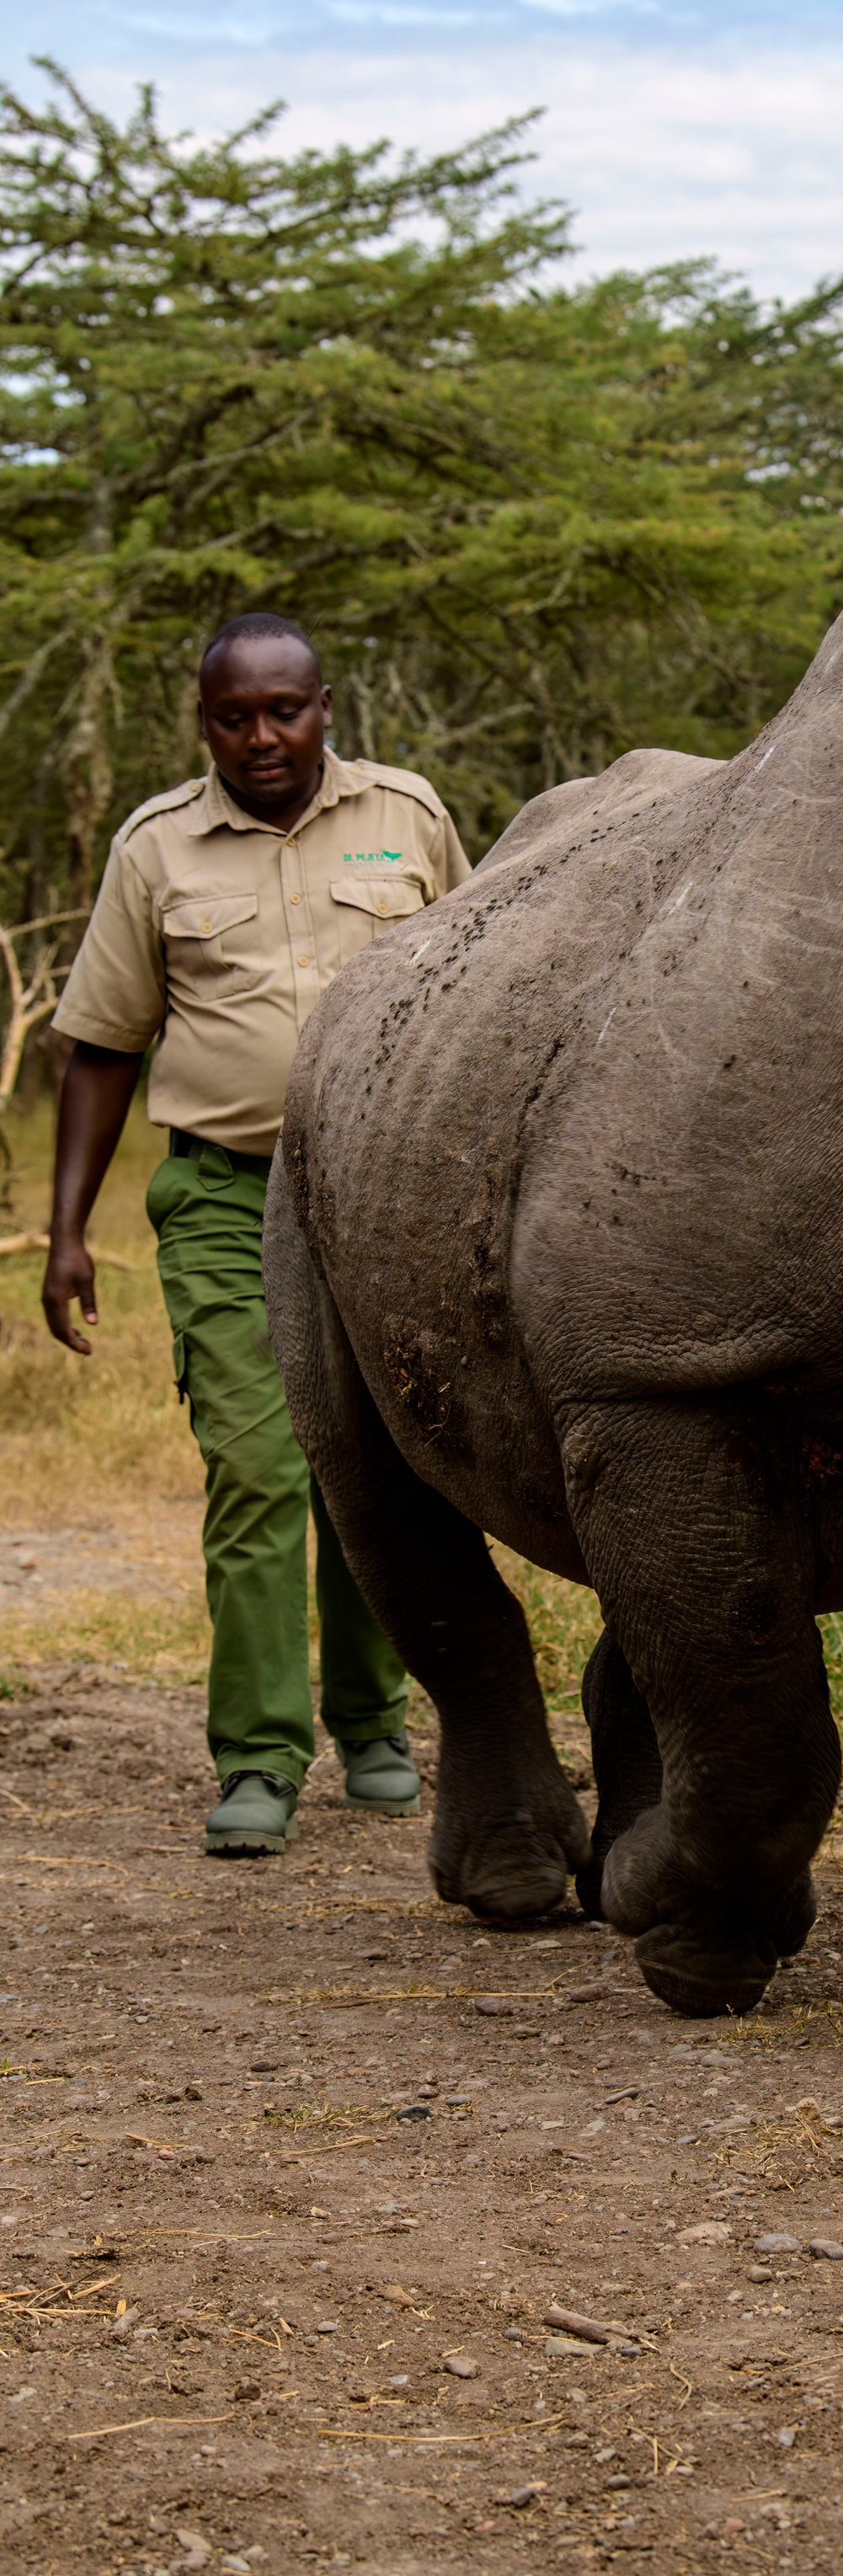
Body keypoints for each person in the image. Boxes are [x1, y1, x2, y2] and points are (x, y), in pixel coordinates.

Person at [40, 612, 472, 1857]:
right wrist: (65, 1230)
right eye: (235, 716)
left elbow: (488, 978)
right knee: (258, 1463)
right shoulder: (157, 848)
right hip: (228, 1197)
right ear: (204, 721)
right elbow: (103, 1044)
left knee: (381, 1467)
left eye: (285, 710)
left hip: (385, 1196)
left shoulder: (409, 817)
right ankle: (260, 1755)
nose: (263, 736)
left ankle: (377, 1727)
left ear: (326, 706)